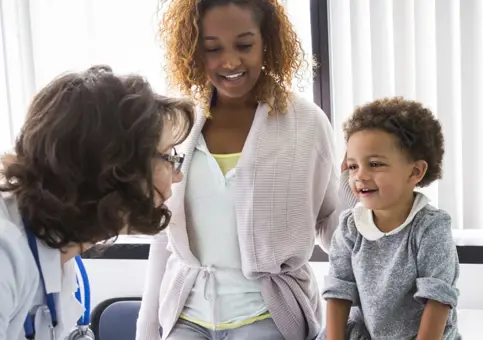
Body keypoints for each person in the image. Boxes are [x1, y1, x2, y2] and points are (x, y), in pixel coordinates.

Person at [135, 1, 356, 339]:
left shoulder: (306, 123)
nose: (230, 61)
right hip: (186, 316)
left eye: (244, 45)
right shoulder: (177, 125)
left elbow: (331, 233)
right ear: (194, 50)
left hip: (268, 315)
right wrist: (148, 331)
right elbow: (163, 236)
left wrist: (356, 185)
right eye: (212, 48)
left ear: (267, 42)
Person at [0, 65, 194, 340]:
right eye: (168, 157)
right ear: (112, 168)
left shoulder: (62, 254)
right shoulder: (6, 253)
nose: (177, 175)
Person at [321, 97, 461, 340]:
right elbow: (338, 292)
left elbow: (438, 299)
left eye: (374, 164)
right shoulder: (349, 227)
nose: (360, 176)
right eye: (353, 166)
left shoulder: (430, 228)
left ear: (415, 171)